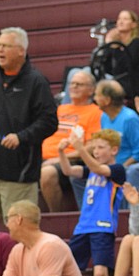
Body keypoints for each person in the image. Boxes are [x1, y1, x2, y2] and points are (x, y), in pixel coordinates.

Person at [0, 26, 58, 223]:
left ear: (21, 50)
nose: (0, 50)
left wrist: (21, 137)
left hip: (19, 171)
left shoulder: (36, 81)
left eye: (6, 46)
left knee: (19, 226)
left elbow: (49, 122)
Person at [59, 128, 125, 276]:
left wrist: (81, 149)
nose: (96, 151)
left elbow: (100, 170)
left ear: (114, 150)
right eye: (94, 148)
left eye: (101, 147)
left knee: (100, 273)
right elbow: (68, 171)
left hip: (103, 226)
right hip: (83, 227)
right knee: (66, 267)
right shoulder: (90, 171)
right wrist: (61, 152)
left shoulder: (117, 170)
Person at [39, 69, 103, 212]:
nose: (74, 87)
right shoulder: (60, 109)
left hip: (71, 160)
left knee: (47, 173)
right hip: (43, 157)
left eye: (79, 84)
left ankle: (56, 217)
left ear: (91, 90)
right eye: (72, 83)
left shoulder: (95, 112)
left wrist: (59, 158)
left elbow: (91, 147)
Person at [102, 9, 139, 99]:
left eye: (125, 19)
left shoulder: (137, 44)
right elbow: (107, 68)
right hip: (115, 81)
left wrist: (111, 42)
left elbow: (124, 67)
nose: (121, 22)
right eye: (119, 19)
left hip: (131, 84)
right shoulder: (115, 45)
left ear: (134, 24)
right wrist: (109, 45)